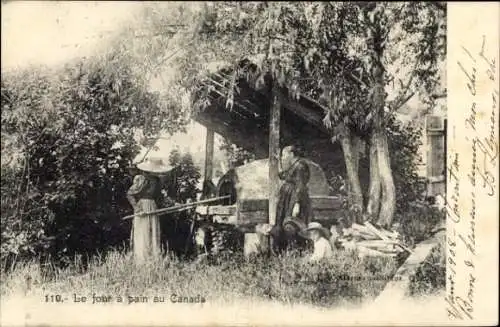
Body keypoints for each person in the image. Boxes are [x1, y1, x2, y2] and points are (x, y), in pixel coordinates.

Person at [127, 157, 172, 263]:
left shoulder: (157, 180)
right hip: (143, 206)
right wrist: (137, 209)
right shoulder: (142, 179)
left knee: (153, 231)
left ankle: (153, 259)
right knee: (143, 232)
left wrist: (168, 203)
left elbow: (159, 196)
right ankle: (142, 259)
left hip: (153, 206)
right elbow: (129, 194)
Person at [272, 145, 313, 252]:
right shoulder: (293, 166)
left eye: (284, 155)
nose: (283, 157)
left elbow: (300, 186)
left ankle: (295, 250)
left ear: (291, 154)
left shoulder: (300, 166)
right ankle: (284, 250)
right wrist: (279, 163)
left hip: (294, 198)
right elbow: (282, 175)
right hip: (287, 198)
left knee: (292, 223)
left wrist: (297, 204)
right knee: (282, 222)